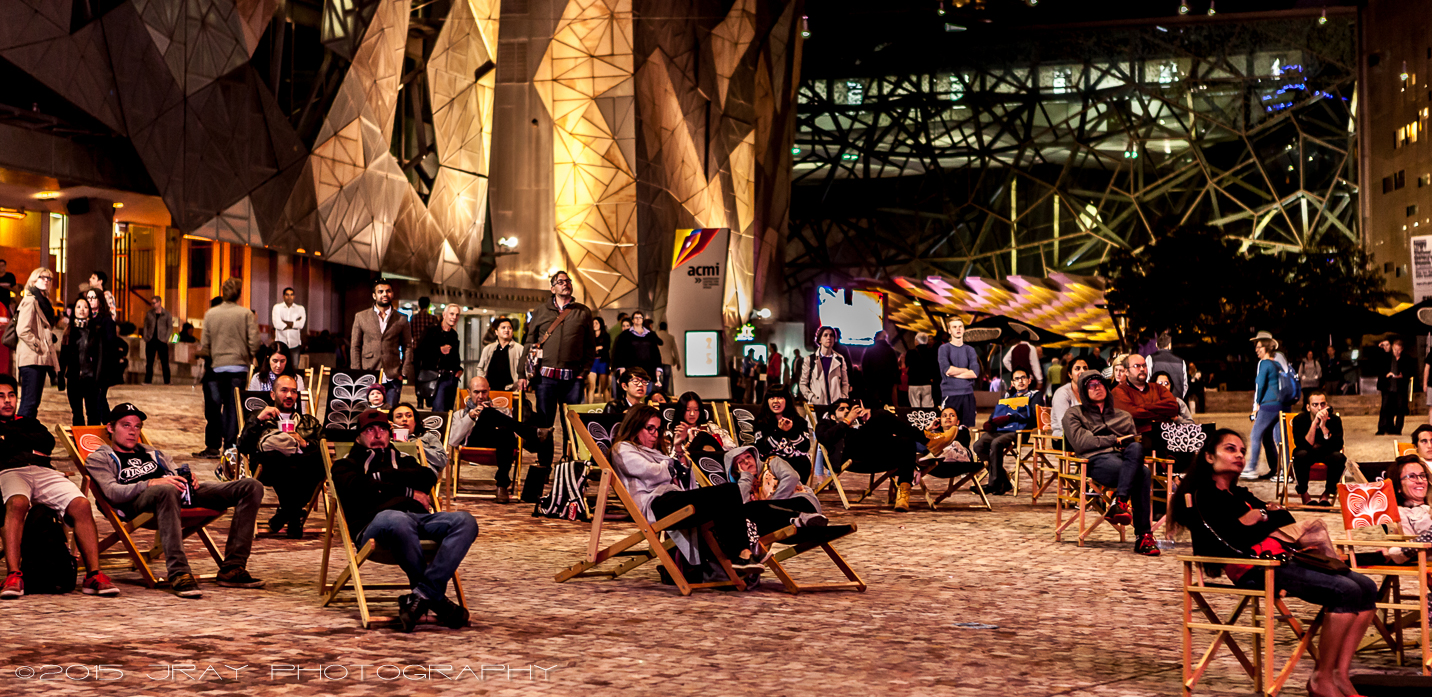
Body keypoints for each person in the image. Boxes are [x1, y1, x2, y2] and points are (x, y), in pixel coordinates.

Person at [1169, 429, 1376, 697]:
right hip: (1252, 568)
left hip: (1279, 559)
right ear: (1209, 457)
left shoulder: (1239, 494)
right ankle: (1321, 678)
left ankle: (1340, 673)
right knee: (1345, 591)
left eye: (1242, 451)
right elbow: (1225, 541)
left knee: (1366, 587)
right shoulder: (1202, 496)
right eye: (1231, 449)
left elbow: (1283, 519)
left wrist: (1259, 518)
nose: (1240, 456)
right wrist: (1256, 521)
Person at [86, 403, 265, 598]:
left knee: (251, 486)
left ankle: (232, 568)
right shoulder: (100, 459)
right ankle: (179, 572)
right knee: (166, 488)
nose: (132, 431)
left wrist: (187, 478)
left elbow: (173, 475)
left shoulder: (153, 453)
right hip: (139, 502)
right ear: (111, 428)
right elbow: (112, 492)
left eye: (137, 426)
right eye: (126, 425)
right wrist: (150, 483)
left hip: (176, 495)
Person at [331, 409, 477, 631]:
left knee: (465, 521)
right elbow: (359, 488)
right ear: (358, 437)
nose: (377, 434)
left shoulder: (405, 459)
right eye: (369, 430)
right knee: (398, 518)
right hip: (374, 525)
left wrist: (381, 479)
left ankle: (422, 594)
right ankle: (437, 600)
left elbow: (427, 477)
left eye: (382, 429)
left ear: (390, 434)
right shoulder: (345, 465)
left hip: (418, 519)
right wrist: (408, 492)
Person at [608, 405, 765, 578]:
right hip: (657, 505)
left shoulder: (653, 452)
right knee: (727, 492)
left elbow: (677, 473)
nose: (654, 434)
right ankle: (741, 554)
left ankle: (744, 553)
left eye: (657, 429)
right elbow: (649, 471)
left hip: (672, 497)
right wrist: (671, 464)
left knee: (728, 493)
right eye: (649, 428)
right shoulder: (622, 449)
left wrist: (677, 451)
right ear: (635, 426)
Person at [0, 374, 117, 598]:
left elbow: (47, 442)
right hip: (9, 472)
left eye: (11, 395)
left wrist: (11, 440)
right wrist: (26, 445)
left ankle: (93, 575)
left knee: (81, 504)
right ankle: (14, 575)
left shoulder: (29, 421)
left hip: (44, 471)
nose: (7, 401)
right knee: (18, 503)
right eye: (1, 396)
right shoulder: (23, 427)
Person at [1062, 372, 1160, 556]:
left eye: (1100, 383)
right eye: (1091, 385)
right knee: (1143, 474)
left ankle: (1121, 502)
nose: (1097, 387)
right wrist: (1115, 440)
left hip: (1124, 460)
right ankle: (1143, 536)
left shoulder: (1123, 416)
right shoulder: (1074, 414)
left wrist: (1122, 443)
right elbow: (1082, 443)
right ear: (1083, 391)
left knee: (1137, 451)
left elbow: (1132, 442)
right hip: (1095, 461)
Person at [523, 270, 594, 502]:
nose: (566, 285)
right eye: (561, 282)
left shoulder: (583, 312)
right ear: (552, 288)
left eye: (568, 282)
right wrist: (523, 374)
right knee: (545, 425)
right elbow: (530, 341)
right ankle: (545, 467)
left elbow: (590, 348)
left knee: (572, 426)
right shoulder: (541, 311)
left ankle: (570, 466)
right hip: (546, 379)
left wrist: (583, 374)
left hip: (572, 379)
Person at [237, 374, 323, 538]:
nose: (289, 396)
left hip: (301, 467)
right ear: (272, 394)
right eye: (284, 391)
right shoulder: (260, 416)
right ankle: (295, 513)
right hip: (270, 467)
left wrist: (304, 443)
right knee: (274, 457)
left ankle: (286, 512)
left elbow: (323, 446)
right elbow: (242, 446)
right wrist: (258, 420)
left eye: (293, 391)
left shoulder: (308, 422)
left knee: (320, 461)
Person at [448, 377, 547, 503]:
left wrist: (494, 417)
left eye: (484, 392)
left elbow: (513, 437)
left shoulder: (503, 411)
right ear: (469, 392)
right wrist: (470, 417)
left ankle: (502, 485)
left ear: (489, 391)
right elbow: (452, 441)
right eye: (476, 392)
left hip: (499, 444)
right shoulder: (460, 414)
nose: (480, 396)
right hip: (473, 443)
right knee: (486, 413)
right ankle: (532, 433)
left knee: (505, 430)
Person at [813, 398, 923, 511]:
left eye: (848, 409)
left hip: (870, 457)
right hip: (848, 455)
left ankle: (903, 495)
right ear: (832, 416)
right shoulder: (825, 424)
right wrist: (847, 420)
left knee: (906, 441)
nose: (847, 411)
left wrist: (867, 423)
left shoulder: (856, 427)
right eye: (842, 409)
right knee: (880, 415)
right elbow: (823, 438)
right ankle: (925, 439)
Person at [197, 278, 260, 457]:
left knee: (214, 409)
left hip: (217, 368)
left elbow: (205, 344)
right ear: (239, 294)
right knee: (233, 409)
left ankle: (213, 446)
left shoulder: (211, 314)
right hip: (239, 367)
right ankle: (230, 446)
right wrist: (248, 355)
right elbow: (255, 342)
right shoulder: (246, 314)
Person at [970, 368, 1044, 496]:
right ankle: (1004, 481)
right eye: (1017, 379)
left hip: (1020, 431)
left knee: (996, 443)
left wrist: (1010, 417)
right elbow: (996, 414)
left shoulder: (1035, 395)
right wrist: (991, 422)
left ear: (1029, 380)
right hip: (1001, 430)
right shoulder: (1007, 396)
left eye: (1023, 378)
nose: (1020, 381)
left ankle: (993, 484)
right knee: (978, 445)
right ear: (1012, 383)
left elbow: (1033, 417)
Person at [351, 278, 413, 407]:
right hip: (368, 373)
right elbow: (355, 346)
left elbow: (407, 346)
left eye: (388, 291)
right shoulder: (361, 317)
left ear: (392, 294)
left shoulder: (401, 318)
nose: (385, 294)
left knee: (390, 415)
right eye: (380, 291)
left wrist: (404, 372)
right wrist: (357, 372)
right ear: (374, 295)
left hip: (393, 376)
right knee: (368, 414)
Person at [59, 299, 114, 426]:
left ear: (89, 311)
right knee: (77, 414)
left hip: (90, 379)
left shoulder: (95, 330)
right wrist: (60, 375)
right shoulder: (69, 331)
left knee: (93, 414)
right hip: (74, 379)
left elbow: (100, 355)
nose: (82, 310)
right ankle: (80, 444)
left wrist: (100, 378)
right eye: (78, 307)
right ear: (74, 311)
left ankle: (93, 444)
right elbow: (63, 357)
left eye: (85, 307)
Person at [1111, 353, 1180, 450]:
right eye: (1137, 366)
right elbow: (1132, 413)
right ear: (1126, 371)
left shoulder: (1158, 388)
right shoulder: (1119, 391)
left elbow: (1174, 407)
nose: (1142, 369)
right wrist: (1162, 415)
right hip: (1138, 438)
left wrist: (1142, 406)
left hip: (1167, 434)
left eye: (1144, 365)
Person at [1288, 391, 1346, 507]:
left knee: (1339, 458)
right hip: (1307, 453)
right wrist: (1314, 424)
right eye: (1315, 405)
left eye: (1322, 404)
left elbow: (1338, 445)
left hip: (1326, 453)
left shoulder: (1334, 420)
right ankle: (1304, 494)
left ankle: (1326, 494)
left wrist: (1323, 427)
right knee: (1300, 455)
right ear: (1308, 407)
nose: (1320, 408)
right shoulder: (1299, 420)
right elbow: (1303, 445)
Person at [15, 268, 58, 419]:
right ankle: (19, 437)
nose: (46, 280)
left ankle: (27, 437)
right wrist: (38, 345)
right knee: (28, 403)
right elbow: (22, 330)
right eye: (42, 277)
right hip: (31, 359)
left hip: (39, 360)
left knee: (33, 404)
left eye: (49, 278)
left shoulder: (45, 303)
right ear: (34, 279)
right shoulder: (30, 300)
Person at [1242, 337, 1284, 479]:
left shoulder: (1264, 363)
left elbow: (1260, 385)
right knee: (1272, 438)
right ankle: (1278, 470)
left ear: (1265, 348)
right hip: (1280, 405)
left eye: (1259, 347)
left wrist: (1257, 405)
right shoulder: (1277, 364)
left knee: (1255, 435)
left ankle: (1251, 468)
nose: (1256, 350)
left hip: (1268, 404)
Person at [753, 384, 813, 484]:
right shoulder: (761, 422)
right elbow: (761, 449)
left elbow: (805, 447)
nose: (776, 401)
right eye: (772, 398)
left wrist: (792, 431)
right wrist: (779, 432)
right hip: (771, 465)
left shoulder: (799, 422)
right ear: (767, 401)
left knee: (803, 461)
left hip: (796, 464)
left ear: (787, 401)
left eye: (780, 397)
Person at [1383, 455, 1432, 565]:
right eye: (1412, 477)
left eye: (1422, 476)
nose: (1420, 481)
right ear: (1398, 487)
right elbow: (1409, 544)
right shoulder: (1401, 513)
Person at [416, 304, 463, 411]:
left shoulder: (453, 334)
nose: (454, 317)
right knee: (439, 412)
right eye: (451, 314)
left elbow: (455, 355)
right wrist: (439, 350)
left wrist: (459, 370)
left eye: (457, 315)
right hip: (436, 377)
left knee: (449, 412)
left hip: (451, 377)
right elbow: (419, 352)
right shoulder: (431, 330)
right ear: (444, 314)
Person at [938, 317, 981, 427]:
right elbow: (947, 370)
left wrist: (956, 372)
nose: (958, 329)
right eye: (954, 327)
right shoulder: (944, 348)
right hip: (950, 394)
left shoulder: (970, 350)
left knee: (966, 428)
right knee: (949, 428)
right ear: (949, 331)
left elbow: (975, 373)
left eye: (960, 326)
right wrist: (966, 370)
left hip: (968, 394)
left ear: (964, 329)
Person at [389, 402, 450, 478]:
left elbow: (442, 461)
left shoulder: (427, 437)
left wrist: (419, 449)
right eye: (398, 416)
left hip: (420, 475)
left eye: (409, 416)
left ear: (415, 422)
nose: (404, 419)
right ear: (392, 422)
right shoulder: (386, 440)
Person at [612, 310, 664, 396]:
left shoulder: (650, 334)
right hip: (632, 369)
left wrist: (658, 367)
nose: (638, 319)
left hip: (648, 369)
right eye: (636, 317)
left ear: (643, 320)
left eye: (640, 317)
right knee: (633, 393)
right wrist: (621, 367)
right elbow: (620, 351)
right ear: (632, 320)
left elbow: (655, 352)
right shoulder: (625, 334)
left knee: (647, 394)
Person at [800, 325, 850, 407]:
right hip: (818, 404)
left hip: (836, 404)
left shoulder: (840, 359)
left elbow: (845, 382)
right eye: (825, 335)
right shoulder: (810, 359)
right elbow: (803, 383)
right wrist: (811, 397)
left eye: (831, 335)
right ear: (819, 339)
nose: (829, 338)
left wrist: (843, 396)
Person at [475, 316, 526, 394]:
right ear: (496, 332)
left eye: (509, 328)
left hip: (512, 391)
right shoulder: (488, 349)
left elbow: (528, 370)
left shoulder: (520, 349)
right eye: (503, 327)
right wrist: (483, 384)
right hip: (490, 391)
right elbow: (480, 368)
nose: (506, 330)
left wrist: (520, 385)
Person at [1379, 338, 1415, 436]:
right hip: (1388, 386)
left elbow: (1410, 371)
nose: (1396, 352)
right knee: (1385, 407)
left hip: (1400, 388)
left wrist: (1402, 375)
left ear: (1402, 349)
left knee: (1400, 408)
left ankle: (1397, 429)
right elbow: (1380, 367)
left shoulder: (1406, 358)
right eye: (1394, 349)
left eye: (1398, 350)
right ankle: (1384, 427)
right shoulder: (1388, 357)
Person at [1050, 357, 1091, 439]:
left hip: (1086, 435)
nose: (1082, 371)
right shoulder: (1062, 393)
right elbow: (1064, 424)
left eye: (1085, 368)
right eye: (1077, 369)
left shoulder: (1090, 392)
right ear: (1070, 374)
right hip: (1063, 437)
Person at [862, 330, 901, 407]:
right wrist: (896, 382)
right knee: (887, 405)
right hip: (888, 384)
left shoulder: (870, 350)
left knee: (874, 406)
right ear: (885, 338)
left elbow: (865, 366)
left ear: (876, 337)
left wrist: (866, 382)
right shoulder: (891, 350)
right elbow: (895, 368)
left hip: (872, 384)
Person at [271, 287, 306, 370]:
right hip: (281, 343)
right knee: (280, 368)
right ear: (283, 296)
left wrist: (285, 322)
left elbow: (301, 325)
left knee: (294, 368)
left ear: (294, 296)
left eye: (291, 294)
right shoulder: (277, 307)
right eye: (287, 295)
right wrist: (294, 324)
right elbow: (277, 324)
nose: (289, 297)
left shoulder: (300, 309)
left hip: (295, 344)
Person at [142, 295, 173, 385]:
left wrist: (166, 338)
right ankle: (148, 380)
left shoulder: (166, 314)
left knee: (164, 362)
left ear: (159, 302)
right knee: (149, 362)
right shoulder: (149, 314)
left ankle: (167, 380)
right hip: (151, 339)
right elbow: (146, 325)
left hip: (161, 340)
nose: (153, 305)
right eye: (152, 303)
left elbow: (170, 327)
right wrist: (146, 337)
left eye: (154, 303)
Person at [1147, 334, 1187, 400]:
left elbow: (1147, 380)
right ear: (1169, 345)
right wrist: (1180, 398)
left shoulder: (1150, 358)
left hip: (1157, 400)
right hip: (1176, 400)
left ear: (1156, 345)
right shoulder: (1181, 361)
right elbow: (1185, 385)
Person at [905, 332, 937, 408]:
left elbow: (907, 368)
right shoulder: (932, 352)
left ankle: (917, 420)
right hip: (927, 383)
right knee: (928, 406)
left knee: (915, 406)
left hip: (913, 383)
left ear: (916, 341)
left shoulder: (910, 352)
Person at [587, 316, 611, 403]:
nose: (594, 325)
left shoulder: (606, 335)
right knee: (591, 386)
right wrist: (597, 348)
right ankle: (589, 408)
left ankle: (607, 408)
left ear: (601, 324)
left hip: (603, 362)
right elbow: (587, 348)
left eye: (596, 323)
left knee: (604, 387)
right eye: (593, 323)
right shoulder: (589, 336)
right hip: (592, 362)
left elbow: (606, 348)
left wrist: (597, 348)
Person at [657, 322, 683, 397]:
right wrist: (678, 362)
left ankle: (658, 392)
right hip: (668, 360)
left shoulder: (656, 335)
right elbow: (675, 350)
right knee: (666, 378)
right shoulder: (670, 337)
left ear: (659, 327)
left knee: (657, 377)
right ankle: (664, 393)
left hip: (658, 360)